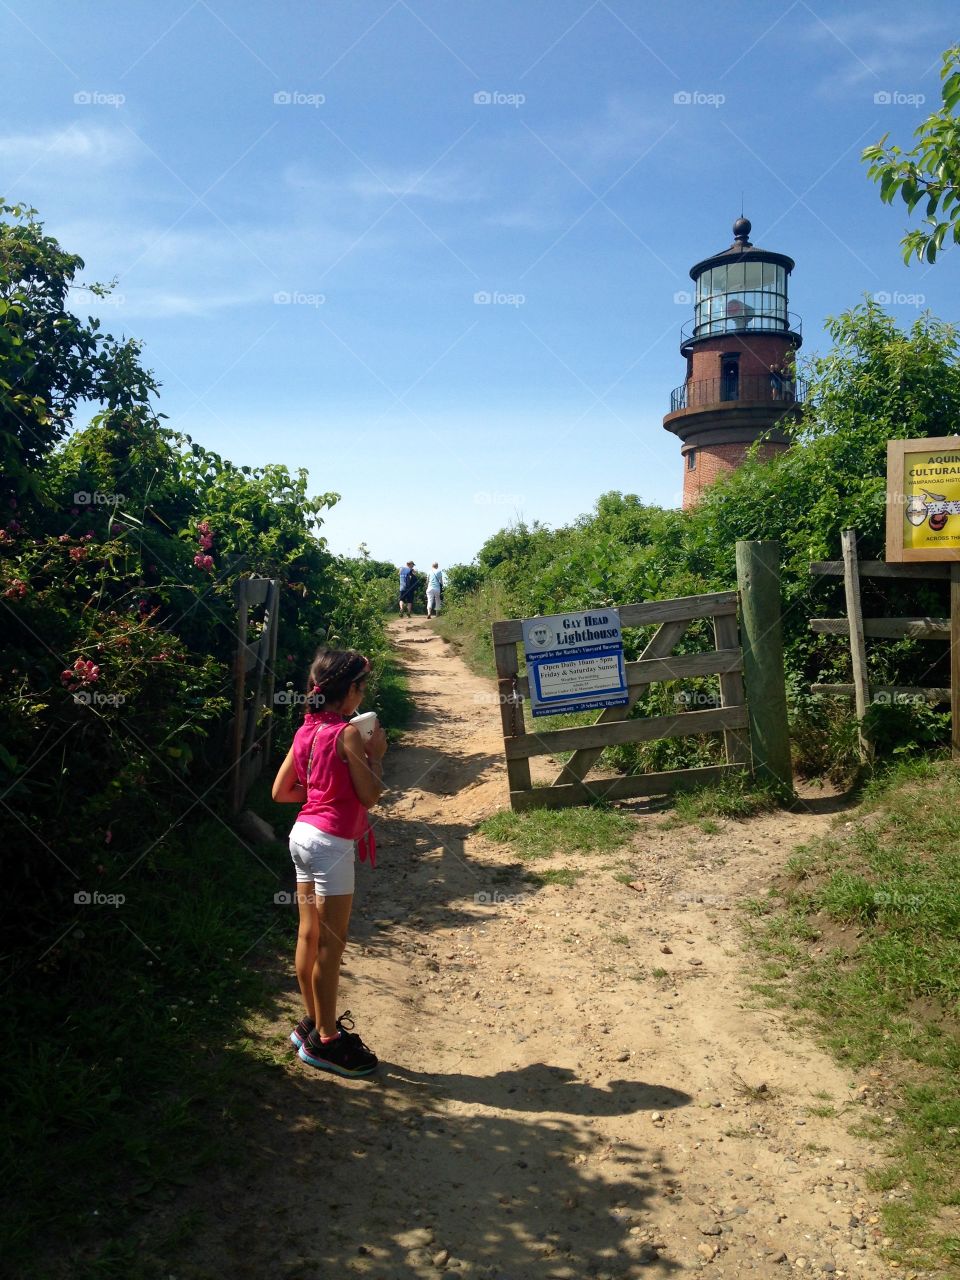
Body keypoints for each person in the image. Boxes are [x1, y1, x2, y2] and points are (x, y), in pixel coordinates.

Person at [271, 648, 387, 1077]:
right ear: (351, 690)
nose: (363, 695)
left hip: (301, 836)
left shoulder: (305, 731)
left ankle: (311, 1024)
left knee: (309, 936)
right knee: (330, 946)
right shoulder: (347, 734)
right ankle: (326, 1040)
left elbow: (281, 793)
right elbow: (370, 795)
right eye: (362, 687)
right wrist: (377, 753)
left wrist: (320, 792)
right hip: (331, 843)